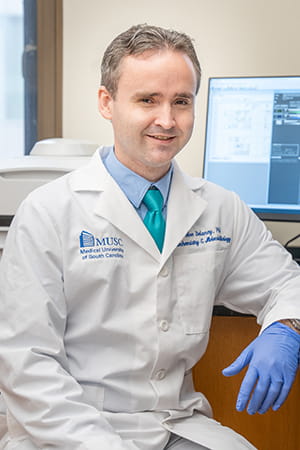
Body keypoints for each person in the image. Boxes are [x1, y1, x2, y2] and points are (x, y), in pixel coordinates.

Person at [0, 24, 300, 450]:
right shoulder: (49, 212)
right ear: (107, 102)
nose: (167, 120)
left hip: (177, 424)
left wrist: (286, 329)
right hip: (68, 430)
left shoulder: (218, 207)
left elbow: (287, 281)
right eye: (147, 100)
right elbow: (27, 365)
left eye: (182, 101)